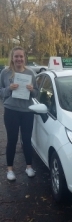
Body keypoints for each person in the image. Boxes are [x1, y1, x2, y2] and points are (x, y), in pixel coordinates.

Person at [0, 46, 39, 181]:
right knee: (12, 140)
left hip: (27, 111)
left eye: (21, 56)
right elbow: (1, 92)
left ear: (24, 58)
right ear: (12, 58)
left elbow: (36, 93)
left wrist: (32, 89)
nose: (19, 59)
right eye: (16, 56)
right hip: (11, 110)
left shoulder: (30, 73)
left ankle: (29, 167)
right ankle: (10, 169)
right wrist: (9, 89)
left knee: (27, 140)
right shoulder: (5, 73)